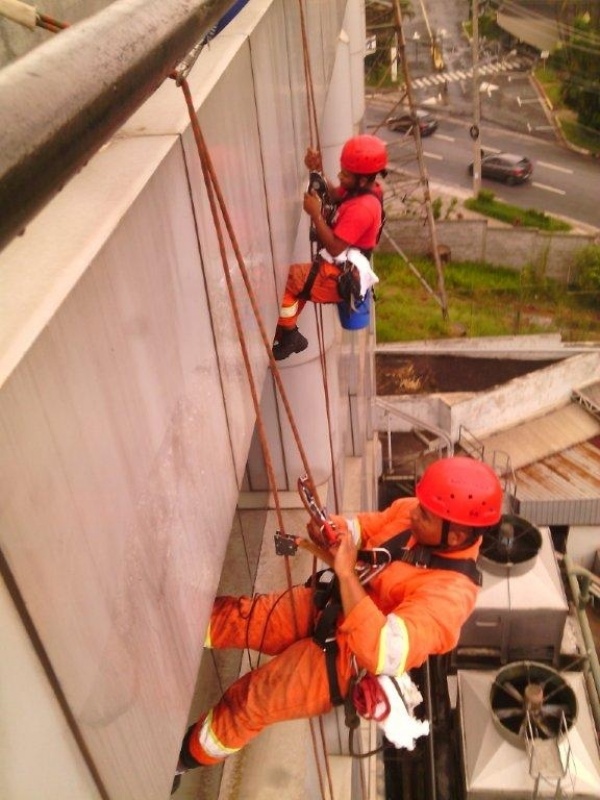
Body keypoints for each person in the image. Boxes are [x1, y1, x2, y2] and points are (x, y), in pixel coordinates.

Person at [171, 457, 502, 790]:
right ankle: (170, 627)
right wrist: (334, 529)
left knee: (252, 700)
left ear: (455, 534)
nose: (414, 512)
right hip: (332, 602)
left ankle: (181, 759)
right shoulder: (414, 513)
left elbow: (385, 650)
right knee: (245, 617)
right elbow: (366, 528)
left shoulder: (450, 597)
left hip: (346, 658)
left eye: (425, 515)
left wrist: (346, 573)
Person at [272, 134, 387, 361]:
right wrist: (318, 169)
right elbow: (335, 195)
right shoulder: (362, 189)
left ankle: (290, 334)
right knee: (299, 287)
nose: (339, 176)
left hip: (339, 275)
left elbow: (334, 247)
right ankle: (284, 331)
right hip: (338, 266)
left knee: (286, 280)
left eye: (345, 174)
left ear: (362, 180)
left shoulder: (363, 208)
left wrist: (316, 215)